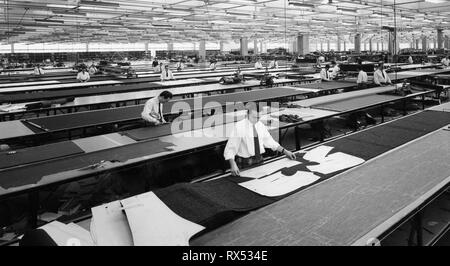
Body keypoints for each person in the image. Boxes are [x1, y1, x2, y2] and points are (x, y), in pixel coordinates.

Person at [224, 105, 296, 176]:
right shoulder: (239, 126)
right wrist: (233, 164)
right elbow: (231, 147)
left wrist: (285, 151)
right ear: (247, 114)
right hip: (245, 162)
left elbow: (270, 142)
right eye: (254, 117)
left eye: (259, 117)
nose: (257, 120)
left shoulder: (260, 125)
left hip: (260, 160)